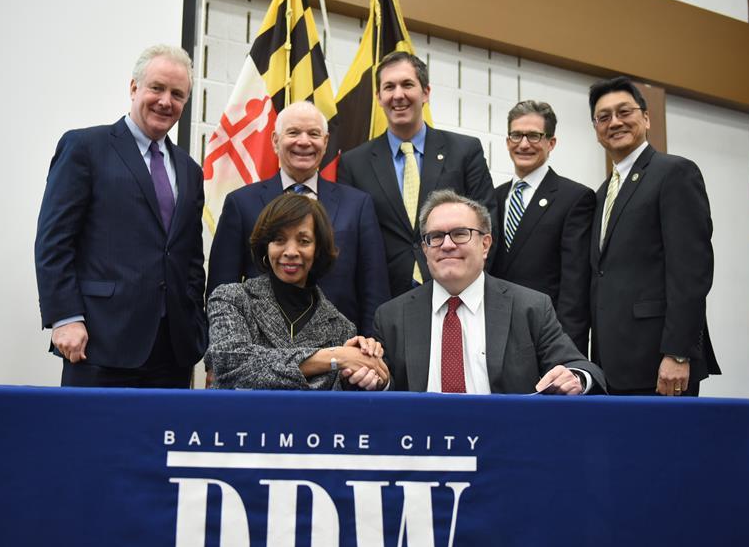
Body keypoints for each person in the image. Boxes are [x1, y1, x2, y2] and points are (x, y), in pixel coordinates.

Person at [35, 44, 207, 388]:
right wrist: (65, 317)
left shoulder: (190, 170)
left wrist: (195, 325)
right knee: (92, 441)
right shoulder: (85, 147)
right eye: (156, 88)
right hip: (99, 341)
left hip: (172, 350)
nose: (165, 101)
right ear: (134, 88)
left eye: (177, 94)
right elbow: (54, 241)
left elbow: (190, 258)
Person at [374, 190, 605, 394]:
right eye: (435, 237)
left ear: (485, 244)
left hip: (504, 438)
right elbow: (384, 388)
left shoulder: (530, 307)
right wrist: (380, 382)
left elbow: (580, 367)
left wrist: (574, 378)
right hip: (424, 438)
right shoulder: (391, 316)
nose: (446, 245)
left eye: (460, 233)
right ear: (425, 249)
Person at [207, 101, 389, 336]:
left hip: (341, 349)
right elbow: (222, 285)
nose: (304, 141)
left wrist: (369, 348)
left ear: (325, 143)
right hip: (261, 351)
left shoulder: (358, 205)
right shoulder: (241, 203)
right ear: (275, 141)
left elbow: (373, 287)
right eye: (293, 133)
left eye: (313, 134)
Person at [588, 76, 719, 396]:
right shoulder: (603, 192)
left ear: (646, 118)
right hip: (611, 365)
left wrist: (678, 352)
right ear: (596, 129)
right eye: (603, 117)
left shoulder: (674, 173)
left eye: (624, 112)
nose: (614, 122)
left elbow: (690, 272)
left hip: (661, 362)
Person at [338, 51, 496, 298]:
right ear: (378, 97)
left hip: (458, 293)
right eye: (389, 87)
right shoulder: (353, 163)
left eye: (407, 84)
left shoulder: (465, 151)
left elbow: (487, 222)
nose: (398, 95)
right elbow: (351, 241)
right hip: (386, 300)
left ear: (426, 92)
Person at [206, 194, 390, 391]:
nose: (291, 251)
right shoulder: (231, 299)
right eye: (279, 239)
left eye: (303, 241)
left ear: (318, 249)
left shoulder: (341, 328)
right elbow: (232, 366)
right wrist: (336, 357)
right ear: (265, 247)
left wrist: (370, 371)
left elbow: (342, 403)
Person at [488, 100, 594, 354]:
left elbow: (574, 287)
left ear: (551, 143)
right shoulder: (491, 197)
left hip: (545, 337)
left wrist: (568, 353)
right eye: (516, 135)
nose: (524, 144)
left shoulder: (575, 198)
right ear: (507, 141)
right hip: (493, 335)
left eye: (534, 136)